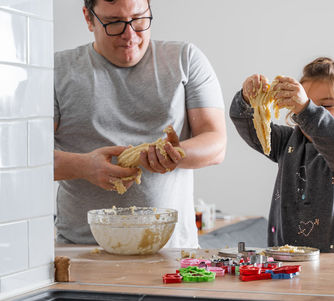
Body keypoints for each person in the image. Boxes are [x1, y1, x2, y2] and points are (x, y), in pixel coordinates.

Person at [54, 0, 226, 248]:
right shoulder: (57, 72)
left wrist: (175, 154)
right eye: (114, 22)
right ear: (88, 19)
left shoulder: (185, 60)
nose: (130, 35)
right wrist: (83, 166)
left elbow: (216, 143)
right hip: (82, 250)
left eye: (139, 19)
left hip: (172, 251)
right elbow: (22, 160)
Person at [230, 57, 334, 253]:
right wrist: (246, 99)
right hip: (283, 258)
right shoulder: (288, 141)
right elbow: (251, 128)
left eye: (327, 106)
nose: (314, 112)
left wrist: (307, 109)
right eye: (306, 105)